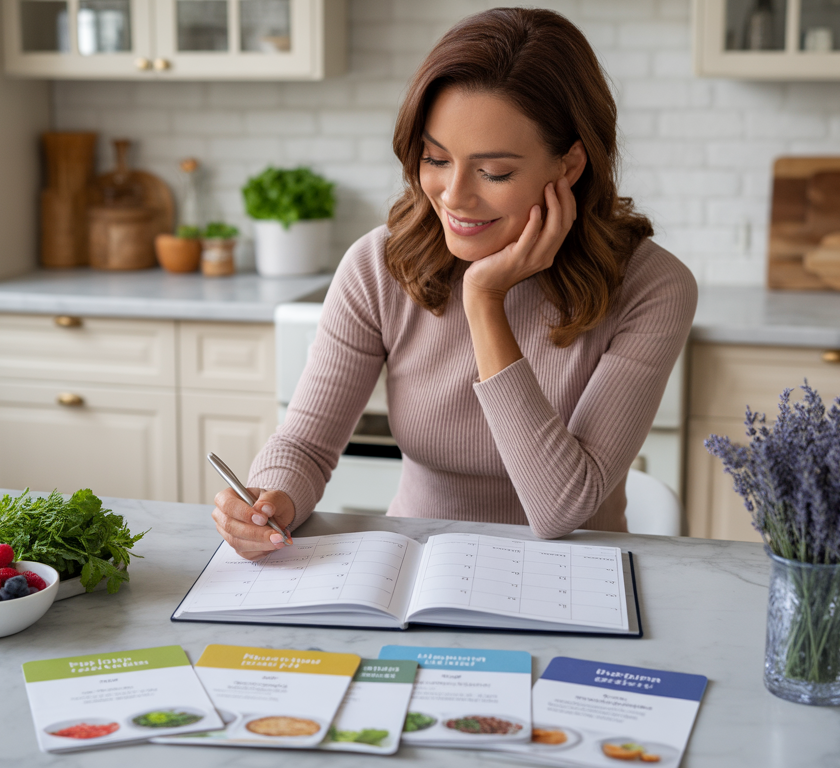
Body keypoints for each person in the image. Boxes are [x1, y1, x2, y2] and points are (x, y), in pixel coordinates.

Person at [213, 8, 697, 560]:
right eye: (435, 159)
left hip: (574, 577)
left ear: (568, 165)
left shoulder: (652, 287)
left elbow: (566, 508)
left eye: (494, 172)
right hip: (414, 571)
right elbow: (305, 444)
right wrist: (271, 498)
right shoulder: (379, 265)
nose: (454, 196)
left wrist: (485, 301)